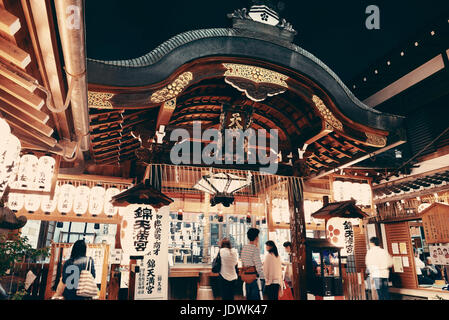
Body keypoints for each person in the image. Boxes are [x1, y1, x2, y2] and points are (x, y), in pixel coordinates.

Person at [240, 228, 265, 300]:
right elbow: (258, 266)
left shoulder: (244, 248)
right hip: (254, 278)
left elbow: (243, 262)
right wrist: (263, 277)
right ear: (256, 237)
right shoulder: (255, 249)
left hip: (246, 277)